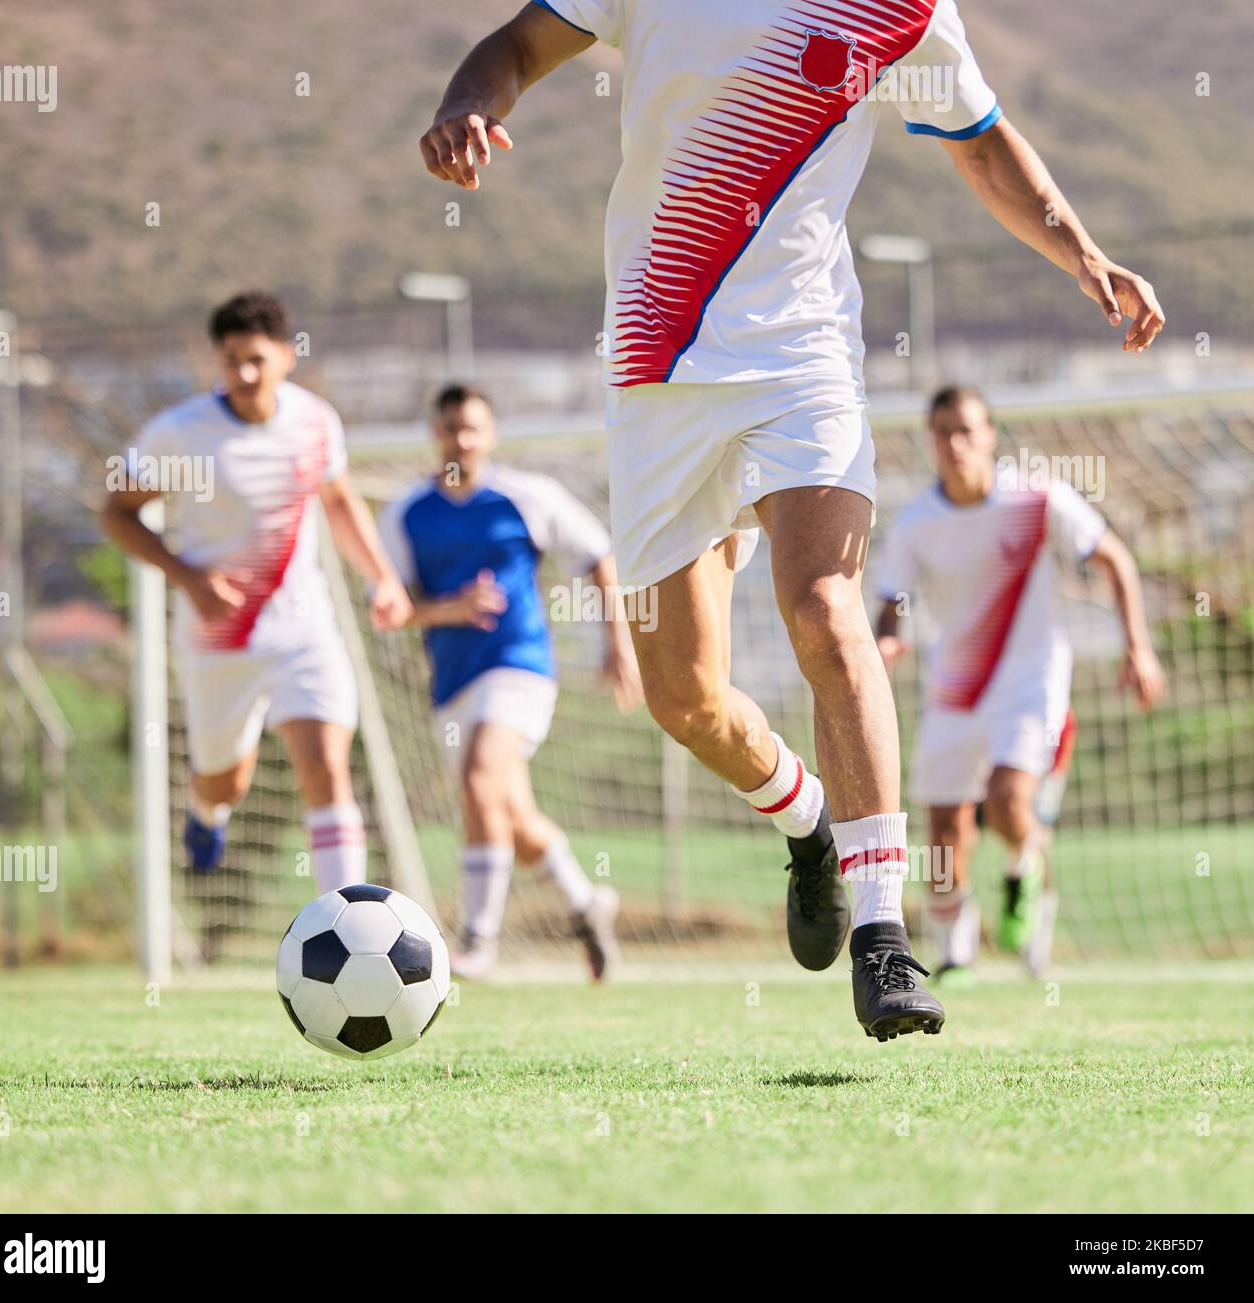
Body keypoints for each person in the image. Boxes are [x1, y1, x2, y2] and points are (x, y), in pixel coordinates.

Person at [419, 1, 1165, 1039]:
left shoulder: (898, 8)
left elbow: (982, 139)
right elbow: (514, 49)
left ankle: (881, 932)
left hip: (802, 361)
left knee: (824, 607)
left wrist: (1083, 253)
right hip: (655, 372)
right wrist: (467, 104)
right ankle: (806, 817)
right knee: (684, 696)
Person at [102, 290, 412, 893]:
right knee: (227, 781)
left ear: (286, 357)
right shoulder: (179, 433)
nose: (243, 374)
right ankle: (207, 811)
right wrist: (188, 577)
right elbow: (116, 514)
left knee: (325, 763)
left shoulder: (317, 422)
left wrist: (384, 580)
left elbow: (340, 502)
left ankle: (341, 915)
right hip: (218, 640)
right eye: (230, 362)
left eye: (255, 360)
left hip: (303, 627)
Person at [876, 386, 1167, 981]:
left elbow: (1116, 559)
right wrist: (887, 637)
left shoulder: (1037, 497)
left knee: (1010, 805)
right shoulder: (916, 523)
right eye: (942, 431)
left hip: (1031, 679)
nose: (955, 443)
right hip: (953, 687)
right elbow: (892, 601)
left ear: (989, 436)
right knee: (942, 836)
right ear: (930, 440)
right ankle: (956, 954)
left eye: (966, 430)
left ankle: (1025, 875)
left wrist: (1137, 647)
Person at [378, 384, 643, 980]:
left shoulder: (529, 497)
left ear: (491, 434)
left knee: (478, 779)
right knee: (512, 822)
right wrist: (450, 609)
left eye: (473, 428)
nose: (462, 440)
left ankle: (478, 941)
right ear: (436, 433)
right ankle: (587, 903)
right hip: (452, 684)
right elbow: (393, 606)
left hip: (521, 668)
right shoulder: (404, 514)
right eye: (451, 428)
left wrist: (616, 644)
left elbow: (599, 555)